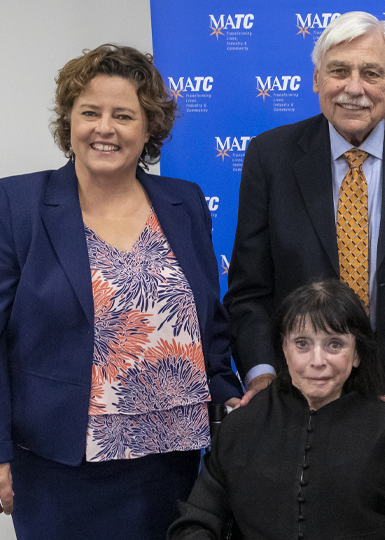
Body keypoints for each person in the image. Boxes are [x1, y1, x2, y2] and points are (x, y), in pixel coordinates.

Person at [0, 44, 243, 538]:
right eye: (89, 112)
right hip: (57, 470)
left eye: (123, 115)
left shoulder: (185, 201)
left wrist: (231, 407)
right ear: (68, 120)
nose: (104, 128)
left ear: (149, 127)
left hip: (173, 466)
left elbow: (207, 323)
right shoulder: (18, 204)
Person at [223, 11, 385, 460]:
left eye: (371, 73)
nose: (354, 88)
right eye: (339, 71)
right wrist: (263, 374)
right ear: (316, 79)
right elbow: (249, 291)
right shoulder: (269, 157)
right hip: (296, 403)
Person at [168, 280, 385, 540]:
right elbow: (197, 522)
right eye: (302, 344)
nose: (317, 361)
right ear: (283, 349)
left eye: (334, 344)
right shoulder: (243, 424)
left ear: (358, 354)